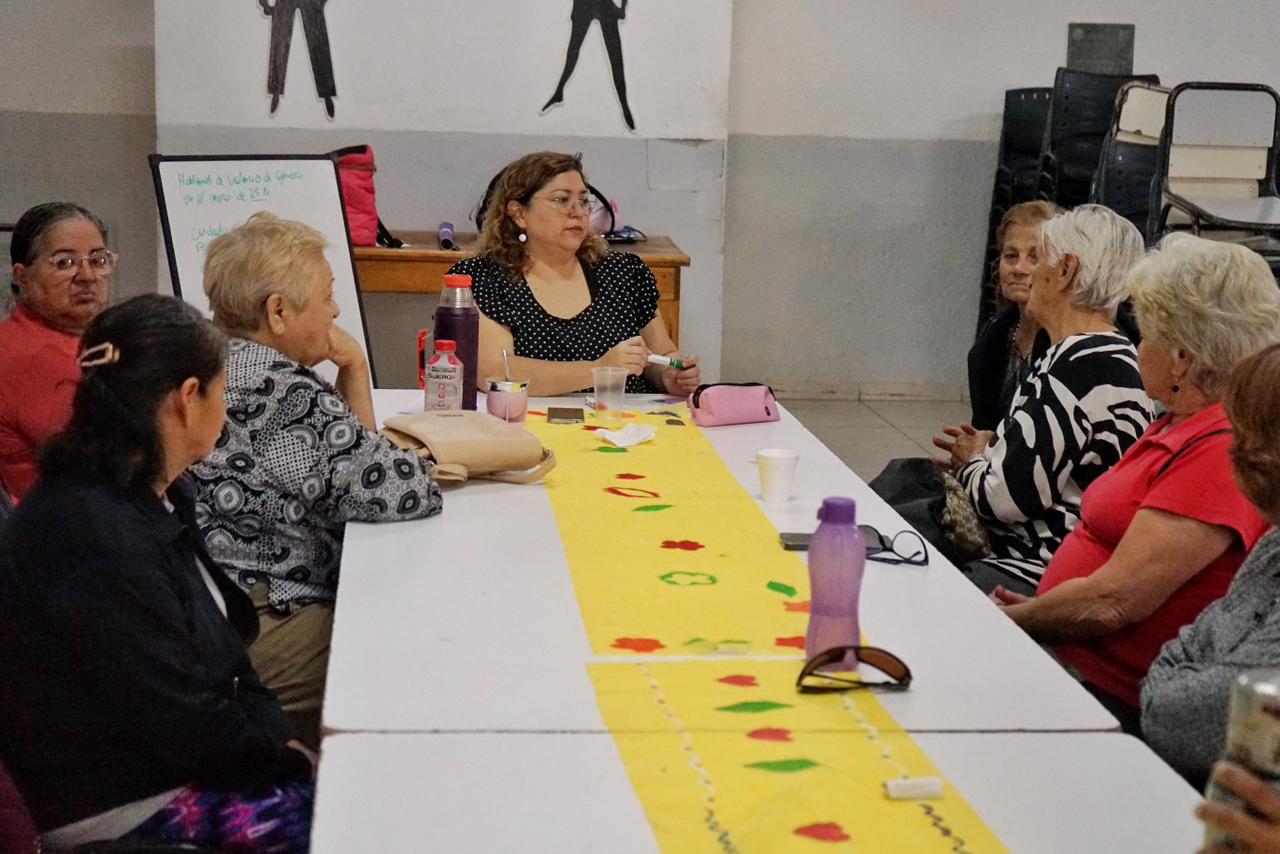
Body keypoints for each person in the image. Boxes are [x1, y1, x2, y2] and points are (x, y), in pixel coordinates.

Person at [0, 295, 314, 852]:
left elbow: (227, 661)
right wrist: (286, 758)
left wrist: (282, 743)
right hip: (123, 805)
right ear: (187, 400)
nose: (226, 408)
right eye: (222, 392)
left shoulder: (154, 493)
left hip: (176, 766)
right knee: (356, 820)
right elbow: (182, 720)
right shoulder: (90, 530)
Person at [992, 237, 1280, 732]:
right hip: (1070, 648)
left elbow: (1114, 602)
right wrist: (1038, 611)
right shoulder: (1178, 423)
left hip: (1107, 688)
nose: (1136, 347)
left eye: (1145, 336)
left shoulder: (1217, 448)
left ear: (1182, 358)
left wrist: (1013, 621)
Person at [192, 212, 443, 743]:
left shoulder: (210, 360)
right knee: (421, 649)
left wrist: (354, 370)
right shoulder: (284, 393)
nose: (335, 310)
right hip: (265, 617)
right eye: (328, 296)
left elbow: (354, 464)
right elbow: (402, 490)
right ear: (278, 312)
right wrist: (420, 460)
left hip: (206, 607)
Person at [936, 204, 1154, 594]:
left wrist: (971, 460)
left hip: (1034, 565)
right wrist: (993, 452)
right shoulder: (1100, 352)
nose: (1029, 272)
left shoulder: (1080, 365)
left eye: (1040, 258)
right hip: (1047, 555)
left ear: (1065, 270)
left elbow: (1002, 500)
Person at [449, 151, 701, 396]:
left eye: (583, 201)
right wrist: (600, 368)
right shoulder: (485, 278)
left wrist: (669, 377)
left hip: (624, 419)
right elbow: (496, 372)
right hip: (528, 419)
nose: (578, 212)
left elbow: (662, 355)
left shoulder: (623, 273)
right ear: (519, 214)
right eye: (561, 200)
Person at [1142, 343, 1280, 781]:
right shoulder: (1275, 545)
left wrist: (1183, 676)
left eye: (1244, 435)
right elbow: (1191, 641)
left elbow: (1185, 721)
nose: (1233, 451)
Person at [0, 202, 113, 501]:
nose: (87, 276)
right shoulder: (31, 356)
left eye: (99, 260)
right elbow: (116, 459)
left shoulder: (90, 339)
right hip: (64, 522)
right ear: (23, 278)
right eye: (65, 263)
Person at [967, 201, 1060, 430]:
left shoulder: (1070, 340)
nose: (1018, 268)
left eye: (1034, 257)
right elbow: (983, 423)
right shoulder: (994, 335)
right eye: (1010, 255)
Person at [542, 0, 635, 130]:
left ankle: (624, 105)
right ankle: (559, 92)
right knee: (574, 51)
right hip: (588, 4)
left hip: (600, 5)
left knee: (615, 57)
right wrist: (622, 8)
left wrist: (622, 7)